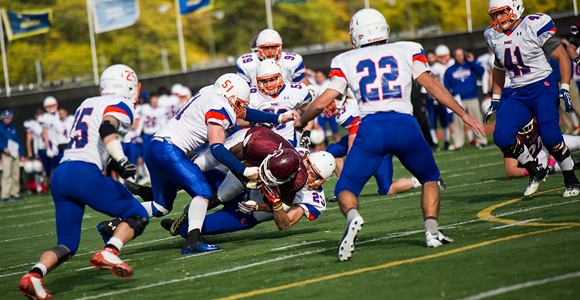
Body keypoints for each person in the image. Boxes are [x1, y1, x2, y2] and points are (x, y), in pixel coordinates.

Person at [293, 8, 485, 261]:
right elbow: (432, 85)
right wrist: (464, 114)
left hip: (371, 128)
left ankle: (353, 217)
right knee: (429, 177)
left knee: (345, 188)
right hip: (405, 124)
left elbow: (321, 102)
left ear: (355, 35)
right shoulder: (407, 49)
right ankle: (431, 232)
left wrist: (302, 122)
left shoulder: (345, 60)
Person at [18, 64, 150, 300]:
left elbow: (92, 146)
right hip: (83, 174)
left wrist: (118, 168)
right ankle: (111, 251)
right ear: (129, 86)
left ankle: (34, 276)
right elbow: (106, 127)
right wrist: (121, 159)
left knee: (67, 244)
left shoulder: (87, 103)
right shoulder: (122, 104)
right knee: (137, 214)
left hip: (61, 174)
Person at [138, 73, 297, 254]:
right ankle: (192, 239)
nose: (240, 108)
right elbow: (217, 149)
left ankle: (120, 221)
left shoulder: (211, 92)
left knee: (166, 203)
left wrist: (277, 118)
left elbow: (244, 113)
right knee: (203, 188)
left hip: (157, 143)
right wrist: (244, 171)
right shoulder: (220, 107)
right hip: (172, 148)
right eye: (238, 102)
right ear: (229, 97)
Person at [483, 0, 580, 197]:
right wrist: (495, 98)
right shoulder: (493, 35)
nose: (497, 19)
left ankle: (571, 179)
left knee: (550, 135)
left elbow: (562, 57)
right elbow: (499, 66)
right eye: (494, 15)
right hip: (518, 93)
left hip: (542, 87)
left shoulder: (532, 25)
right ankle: (535, 170)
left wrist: (564, 87)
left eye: (502, 13)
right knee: (501, 135)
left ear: (516, 9)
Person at [161, 151, 335, 245]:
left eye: (314, 175)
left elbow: (285, 223)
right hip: (241, 186)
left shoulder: (314, 201)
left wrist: (266, 204)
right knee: (196, 167)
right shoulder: (294, 157)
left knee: (188, 231)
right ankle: (158, 198)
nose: (307, 173)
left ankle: (185, 220)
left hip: (247, 213)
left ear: (322, 181)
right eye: (308, 166)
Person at [240, 59, 312, 146]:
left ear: (279, 77)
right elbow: (238, 121)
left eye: (271, 80)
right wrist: (256, 121)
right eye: (264, 81)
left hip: (290, 142)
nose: (268, 85)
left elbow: (310, 112)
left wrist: (307, 132)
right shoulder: (252, 95)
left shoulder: (293, 91)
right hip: (263, 144)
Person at [236, 29, 316, 97]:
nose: (270, 51)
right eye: (266, 48)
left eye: (274, 47)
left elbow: (304, 84)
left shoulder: (291, 61)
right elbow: (243, 91)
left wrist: (309, 92)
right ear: (258, 49)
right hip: (259, 104)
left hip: (286, 101)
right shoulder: (247, 64)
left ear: (280, 47)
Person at [444, 47, 488, 149]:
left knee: (476, 119)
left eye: (461, 55)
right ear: (454, 56)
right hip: (458, 100)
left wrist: (472, 61)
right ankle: (458, 143)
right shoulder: (450, 70)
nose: (459, 57)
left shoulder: (471, 66)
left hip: (472, 97)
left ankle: (481, 140)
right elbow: (446, 85)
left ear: (464, 55)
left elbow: (481, 71)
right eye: (457, 55)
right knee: (457, 122)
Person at [504, 119, 580, 178]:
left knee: (577, 141)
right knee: (558, 166)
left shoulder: (537, 120)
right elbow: (510, 170)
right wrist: (532, 170)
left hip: (546, 144)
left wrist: (551, 162)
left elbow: (552, 139)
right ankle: (575, 164)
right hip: (535, 158)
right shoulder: (512, 136)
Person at [0, 110, 25, 202]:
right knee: (6, 174)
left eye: (9, 118)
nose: (7, 120)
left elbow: (17, 141)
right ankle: (5, 195)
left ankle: (15, 193)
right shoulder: (0, 128)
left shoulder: (13, 127)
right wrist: (3, 148)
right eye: (5, 118)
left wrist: (22, 154)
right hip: (6, 154)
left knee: (16, 174)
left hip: (15, 153)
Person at [38, 96, 61, 187]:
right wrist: (48, 147)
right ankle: (51, 186)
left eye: (53, 105)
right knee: (50, 168)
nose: (51, 108)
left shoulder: (60, 115)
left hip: (61, 143)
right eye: (49, 106)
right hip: (51, 144)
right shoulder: (45, 117)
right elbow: (45, 133)